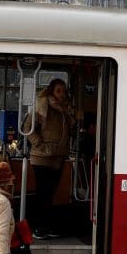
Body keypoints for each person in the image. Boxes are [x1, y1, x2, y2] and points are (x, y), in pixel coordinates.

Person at [28, 78, 75, 239]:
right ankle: (37, 227)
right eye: (58, 91)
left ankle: (45, 226)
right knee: (42, 192)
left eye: (63, 91)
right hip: (42, 157)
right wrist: (40, 146)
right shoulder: (42, 106)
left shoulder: (66, 110)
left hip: (58, 157)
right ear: (51, 91)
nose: (61, 94)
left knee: (50, 194)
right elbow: (28, 128)